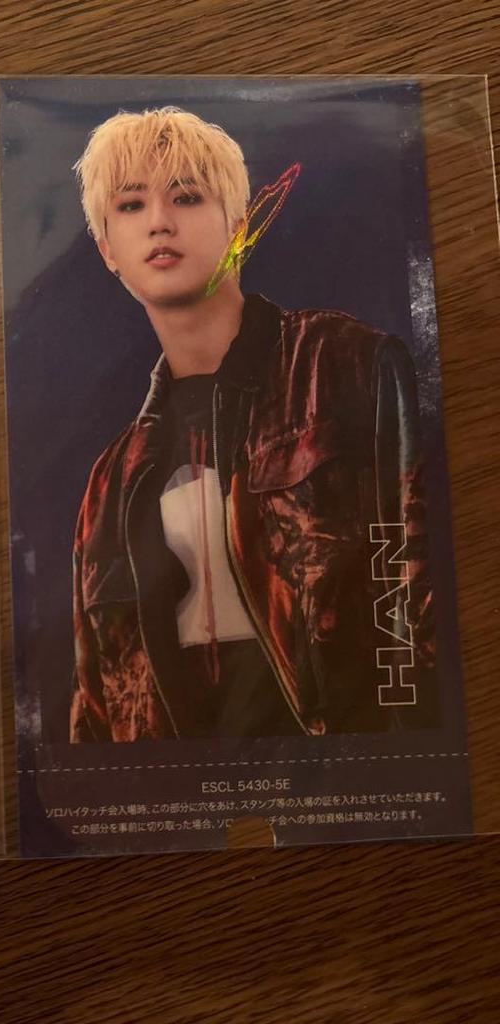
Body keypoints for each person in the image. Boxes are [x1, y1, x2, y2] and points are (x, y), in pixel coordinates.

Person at [68, 108, 435, 742]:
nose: (159, 221)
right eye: (130, 205)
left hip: (346, 773)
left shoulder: (341, 362)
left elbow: (416, 592)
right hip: (182, 793)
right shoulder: (111, 481)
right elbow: (95, 709)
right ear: (107, 251)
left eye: (186, 197)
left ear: (239, 226)